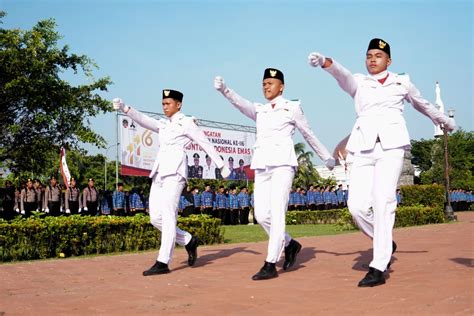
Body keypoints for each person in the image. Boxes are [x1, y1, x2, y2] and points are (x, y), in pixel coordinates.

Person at [308, 38, 456, 287]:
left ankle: (378, 265)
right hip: (363, 147)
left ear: (388, 60)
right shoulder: (359, 82)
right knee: (356, 207)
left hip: (391, 146)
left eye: (378, 55)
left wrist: (444, 121)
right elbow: (342, 76)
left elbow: (422, 104)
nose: (372, 59)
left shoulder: (402, 82)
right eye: (369, 56)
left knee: (383, 200)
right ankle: (383, 239)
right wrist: (326, 62)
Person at [215, 68, 335, 280]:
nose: (266, 87)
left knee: (277, 213)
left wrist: (326, 157)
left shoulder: (292, 107)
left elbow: (308, 133)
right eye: (264, 84)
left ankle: (270, 262)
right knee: (261, 215)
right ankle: (289, 244)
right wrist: (225, 90)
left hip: (283, 165)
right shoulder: (260, 110)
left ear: (282, 86)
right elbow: (240, 104)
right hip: (262, 165)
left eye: (271, 83)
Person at [113, 89, 230, 276]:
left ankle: (163, 261)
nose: (165, 107)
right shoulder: (164, 125)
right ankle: (188, 240)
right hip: (159, 172)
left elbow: (204, 142)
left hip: (175, 173)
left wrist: (221, 165)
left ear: (179, 104)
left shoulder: (187, 123)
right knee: (155, 218)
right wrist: (126, 108)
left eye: (168, 103)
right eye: (163, 104)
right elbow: (144, 119)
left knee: (168, 216)